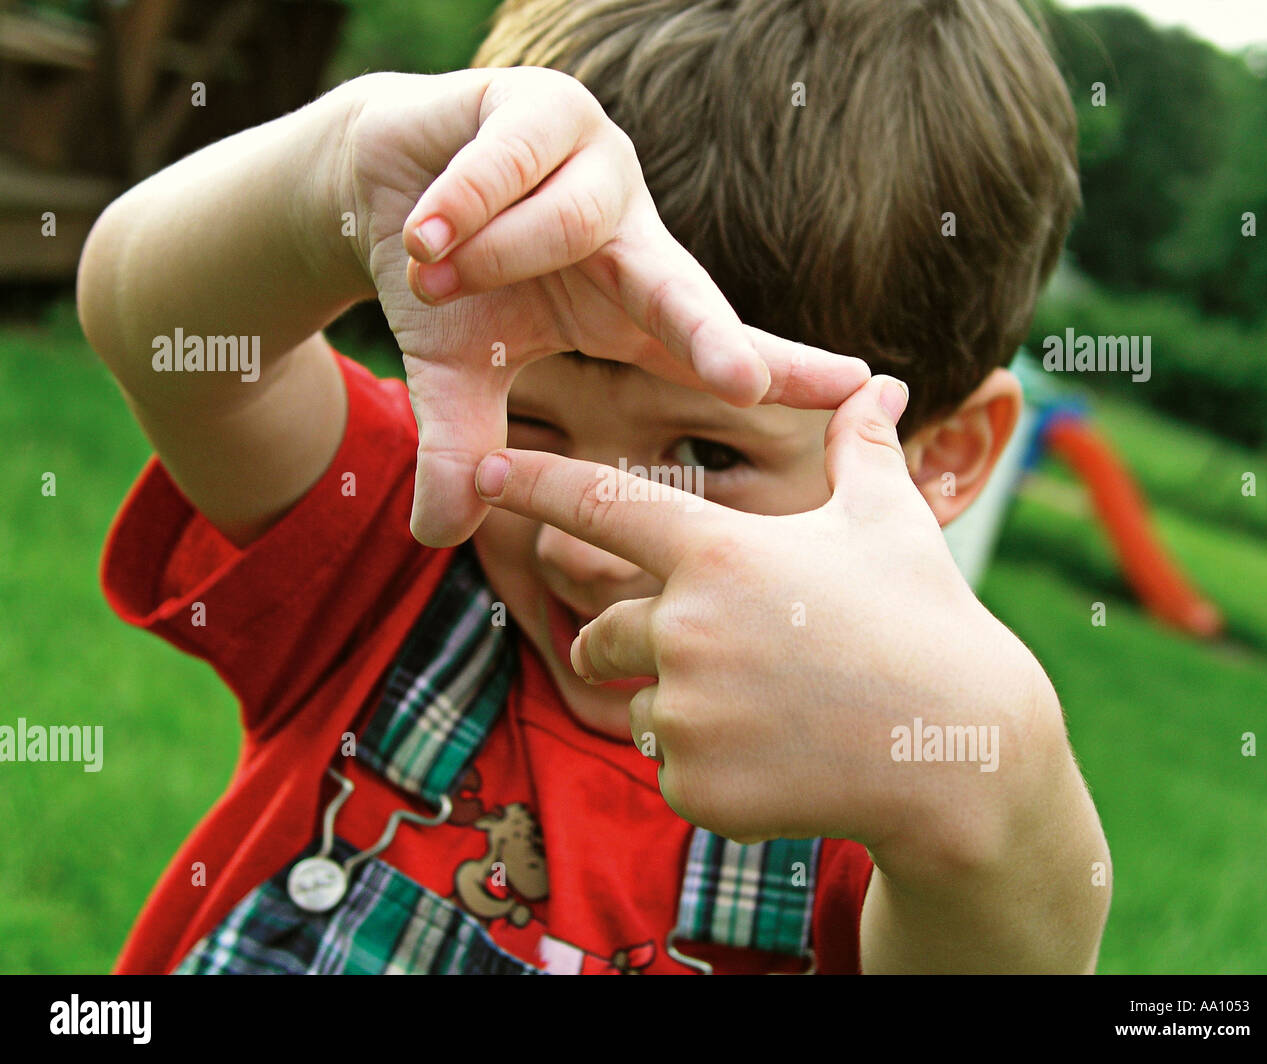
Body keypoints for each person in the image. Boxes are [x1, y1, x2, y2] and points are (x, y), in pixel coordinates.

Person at [78, 0, 1110, 974]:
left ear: (942, 454)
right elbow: (160, 330)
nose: (584, 544)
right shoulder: (401, 537)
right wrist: (344, 179)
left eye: (707, 456)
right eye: (528, 419)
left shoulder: (883, 802)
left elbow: (1009, 924)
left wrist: (998, 770)